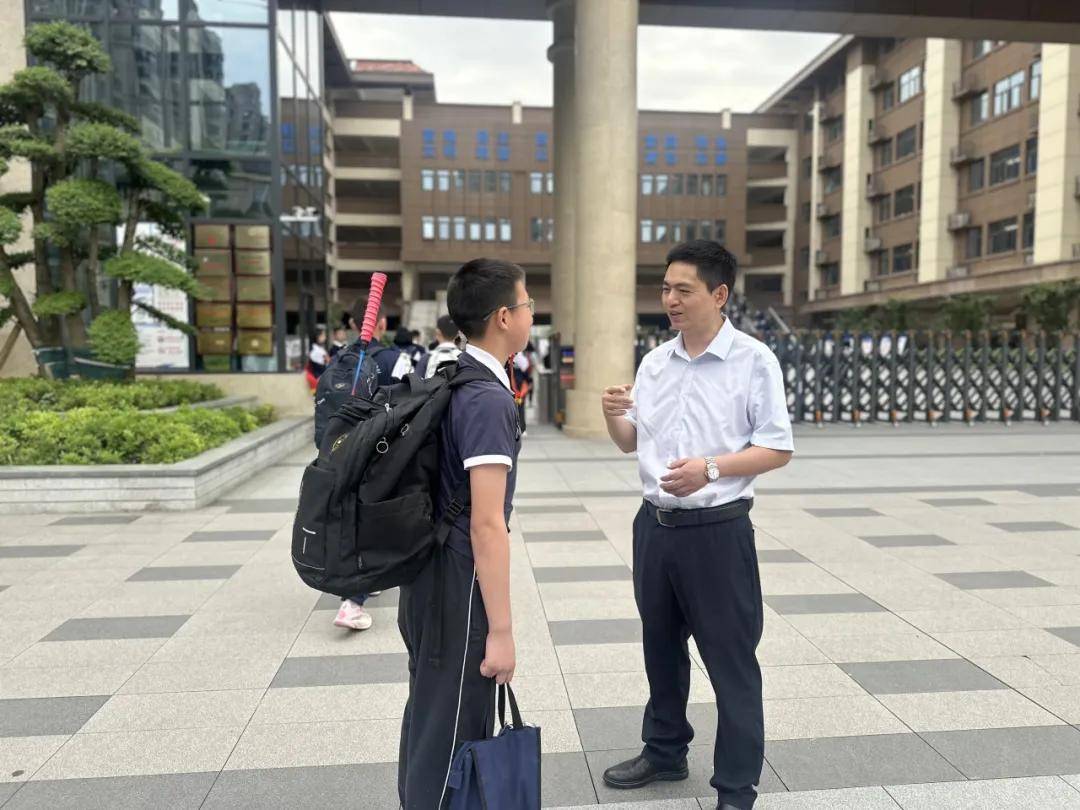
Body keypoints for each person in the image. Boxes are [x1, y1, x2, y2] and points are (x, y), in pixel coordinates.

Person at [600, 240, 794, 810]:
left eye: (683, 289)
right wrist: (613, 416)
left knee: (730, 660)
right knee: (660, 647)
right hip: (655, 528)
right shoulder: (655, 362)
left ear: (720, 293)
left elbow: (777, 448)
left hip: (717, 532)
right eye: (666, 289)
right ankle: (664, 751)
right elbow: (631, 443)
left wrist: (710, 468)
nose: (671, 300)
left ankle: (736, 787)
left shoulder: (754, 360)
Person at [397, 258, 533, 810]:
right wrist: (499, 631)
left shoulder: (455, 377)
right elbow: (486, 523)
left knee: (432, 715)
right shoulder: (487, 399)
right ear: (504, 316)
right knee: (449, 728)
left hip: (429, 573)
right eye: (526, 305)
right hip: (458, 583)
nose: (529, 314)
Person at [313, 296, 399, 632]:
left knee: (346, 517)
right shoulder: (393, 359)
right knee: (371, 520)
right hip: (375, 451)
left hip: (334, 451)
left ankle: (362, 579)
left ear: (352, 324)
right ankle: (352, 601)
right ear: (383, 324)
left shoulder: (338, 359)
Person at [423, 314, 461, 379]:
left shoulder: (426, 358)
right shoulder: (464, 358)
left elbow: (415, 385)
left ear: (438, 332)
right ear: (458, 334)